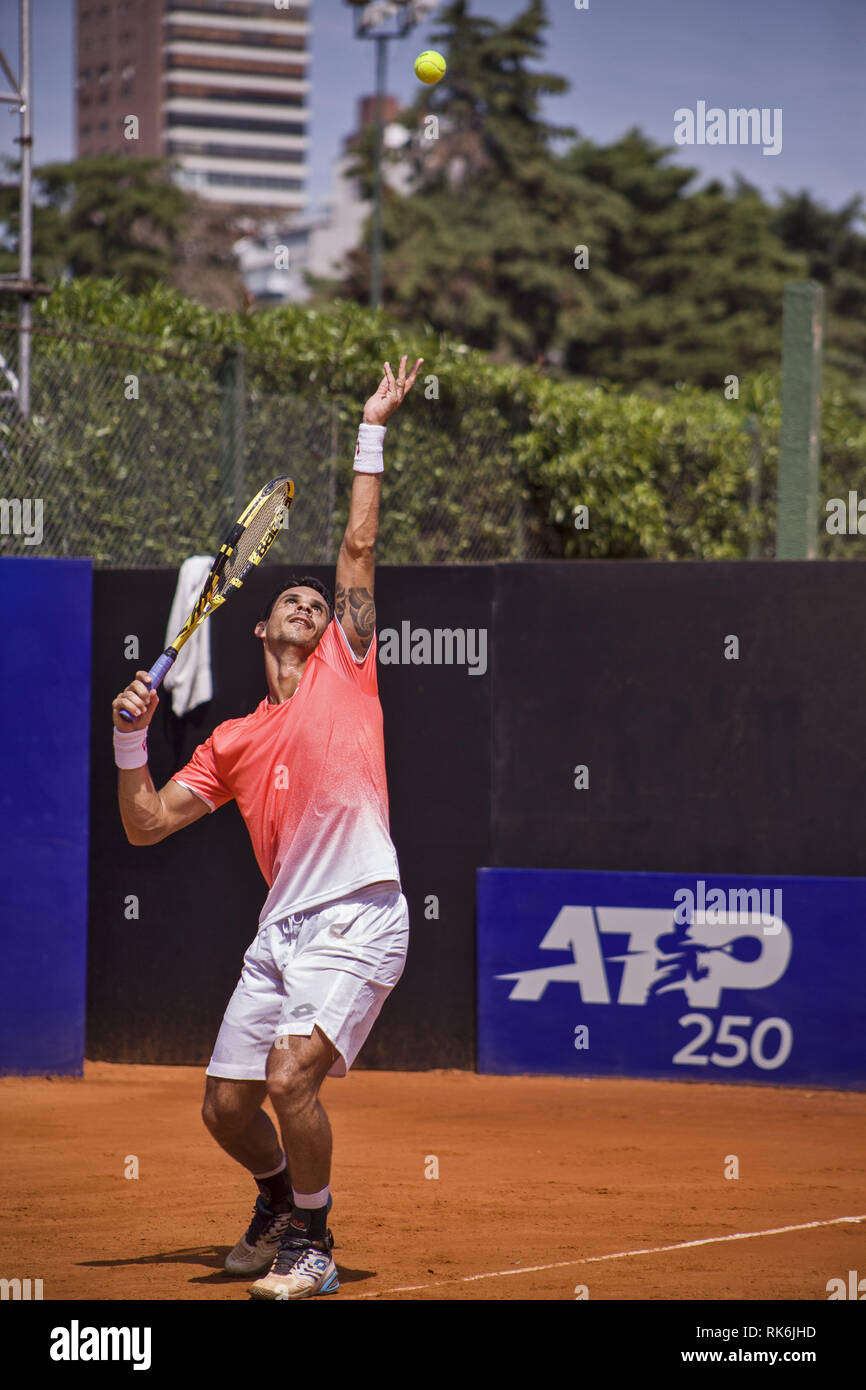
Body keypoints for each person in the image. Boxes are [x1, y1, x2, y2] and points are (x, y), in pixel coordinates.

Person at [111, 355, 423, 1300]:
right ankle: (279, 1202)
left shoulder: (347, 668)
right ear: (257, 629)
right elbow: (148, 826)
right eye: (290, 598)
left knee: (293, 1081)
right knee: (225, 1106)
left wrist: (372, 427)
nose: (308, 601)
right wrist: (129, 743)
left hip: (360, 912)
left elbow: (359, 553)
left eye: (318, 603)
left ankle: (316, 1245)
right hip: (282, 929)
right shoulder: (235, 738)